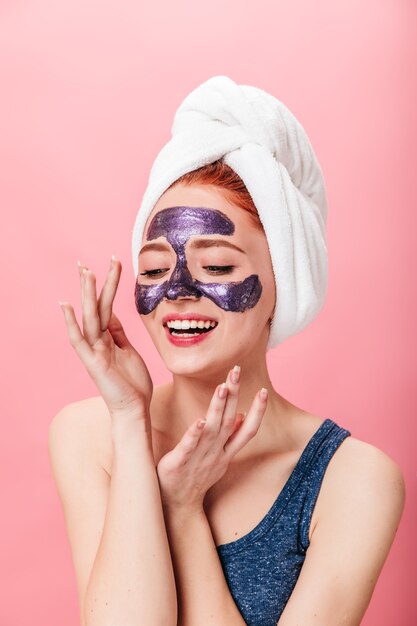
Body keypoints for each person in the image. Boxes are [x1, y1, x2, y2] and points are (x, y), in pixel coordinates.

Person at [49, 77, 406, 626]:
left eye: (216, 266)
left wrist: (183, 510)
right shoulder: (89, 433)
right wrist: (128, 419)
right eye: (152, 269)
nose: (178, 291)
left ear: (281, 284)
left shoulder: (353, 480)